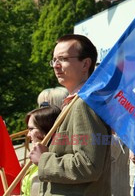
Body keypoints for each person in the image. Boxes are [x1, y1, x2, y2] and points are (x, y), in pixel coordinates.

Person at [29, 34, 112, 196]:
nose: (56, 66)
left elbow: (88, 164)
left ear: (85, 64)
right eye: (54, 60)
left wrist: (44, 160)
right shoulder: (73, 103)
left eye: (63, 59)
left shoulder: (84, 104)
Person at [22, 106, 61, 196]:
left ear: (47, 129)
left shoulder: (58, 159)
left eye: (31, 129)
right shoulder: (35, 161)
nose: (28, 134)